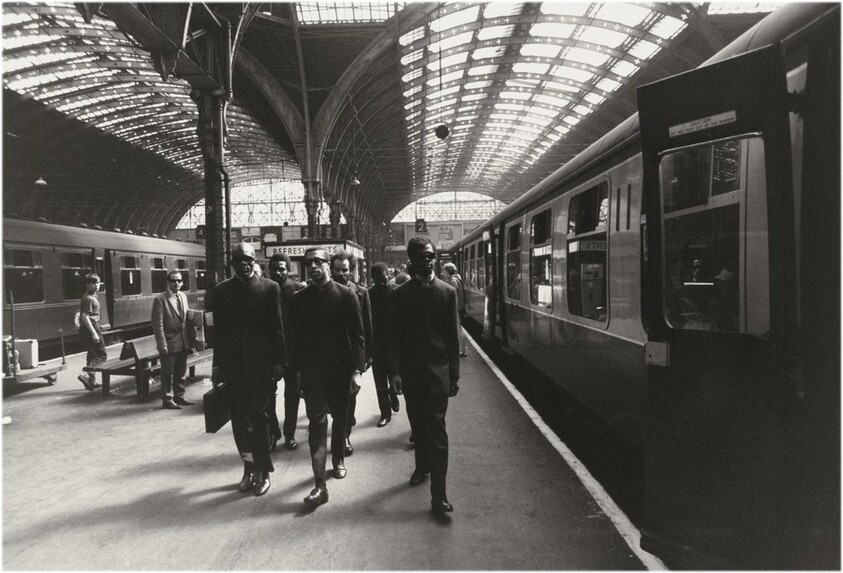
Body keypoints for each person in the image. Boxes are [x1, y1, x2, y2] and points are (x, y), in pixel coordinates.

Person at [388, 237, 461, 514]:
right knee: (418, 428)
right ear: (412, 261)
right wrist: (394, 372)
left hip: (438, 374)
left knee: (438, 434)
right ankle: (421, 467)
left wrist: (454, 375)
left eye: (431, 256)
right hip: (411, 375)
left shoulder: (446, 293)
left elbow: (453, 338)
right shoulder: (400, 294)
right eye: (422, 257)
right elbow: (393, 335)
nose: (428, 261)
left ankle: (439, 496)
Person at [289, 247, 365, 507]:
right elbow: (295, 340)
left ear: (328, 265)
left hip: (341, 372)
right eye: (309, 262)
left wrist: (357, 371)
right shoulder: (300, 299)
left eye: (318, 262)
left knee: (340, 418)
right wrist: (298, 373)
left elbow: (358, 337)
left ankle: (338, 459)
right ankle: (319, 485)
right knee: (317, 424)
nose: (313, 266)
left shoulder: (346, 295)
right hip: (312, 374)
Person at [210, 242, 285, 497]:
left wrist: (278, 362)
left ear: (255, 261)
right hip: (233, 369)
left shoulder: (269, 288)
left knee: (259, 418)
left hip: (261, 369)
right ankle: (248, 467)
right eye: (238, 259)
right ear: (232, 263)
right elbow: (218, 334)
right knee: (239, 422)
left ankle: (263, 471)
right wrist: (217, 365)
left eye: (248, 259)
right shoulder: (221, 292)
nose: (243, 263)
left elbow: (277, 329)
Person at [330, 250, 372, 456]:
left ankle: (345, 435)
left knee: (350, 396)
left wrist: (366, 357)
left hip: (352, 354)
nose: (341, 274)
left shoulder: (361, 293)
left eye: (345, 270)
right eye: (337, 269)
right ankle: (342, 428)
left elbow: (366, 327)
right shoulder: (325, 291)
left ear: (352, 270)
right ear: (331, 270)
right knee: (335, 400)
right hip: (330, 355)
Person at [268, 253, 306, 451]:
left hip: (292, 355)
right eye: (274, 268)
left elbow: (303, 329)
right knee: (268, 397)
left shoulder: (299, 291)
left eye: (282, 268)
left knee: (291, 396)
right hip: (271, 355)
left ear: (288, 270)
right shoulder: (264, 290)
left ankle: (289, 434)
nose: (277, 272)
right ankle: (273, 432)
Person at [151, 270, 195, 410]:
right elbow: (157, 325)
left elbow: (186, 319)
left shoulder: (183, 296)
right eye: (173, 280)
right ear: (168, 282)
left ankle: (179, 396)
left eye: (179, 280)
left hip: (183, 341)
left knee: (181, 371)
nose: (177, 283)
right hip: (169, 342)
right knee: (167, 373)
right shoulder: (160, 299)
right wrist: (162, 344)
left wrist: (192, 340)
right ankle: (167, 399)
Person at [368, 262, 400, 427]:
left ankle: (393, 394)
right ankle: (385, 413)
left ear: (389, 275)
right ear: (373, 279)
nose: (382, 282)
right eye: (378, 280)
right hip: (377, 345)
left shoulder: (397, 292)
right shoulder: (369, 294)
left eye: (384, 279)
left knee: (394, 379)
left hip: (394, 345)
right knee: (380, 382)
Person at [77, 273, 106, 391]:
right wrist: (94, 332)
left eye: (98, 283)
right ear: (87, 284)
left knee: (92, 354)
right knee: (101, 355)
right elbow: (85, 317)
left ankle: (91, 381)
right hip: (91, 328)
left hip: (91, 327)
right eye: (93, 283)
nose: (96, 285)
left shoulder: (90, 296)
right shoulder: (89, 298)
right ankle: (86, 374)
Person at [442, 262, 468, 357]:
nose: (443, 273)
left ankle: (462, 349)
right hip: (456, 306)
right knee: (457, 328)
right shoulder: (453, 279)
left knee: (458, 328)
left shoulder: (453, 281)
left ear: (449, 271)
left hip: (455, 307)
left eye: (444, 271)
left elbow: (451, 296)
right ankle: (461, 349)